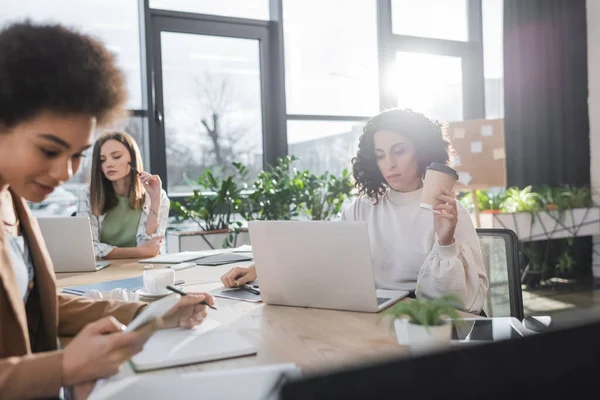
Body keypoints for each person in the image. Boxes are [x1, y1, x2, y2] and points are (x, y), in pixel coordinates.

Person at [0, 21, 214, 400]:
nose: (65, 172)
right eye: (49, 151)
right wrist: (63, 368)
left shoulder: (14, 203)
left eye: (77, 155)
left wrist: (157, 314)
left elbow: (39, 307)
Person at [221, 109, 488, 313]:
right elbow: (321, 249)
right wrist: (259, 269)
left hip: (422, 321)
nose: (390, 164)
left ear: (422, 150)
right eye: (380, 155)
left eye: (399, 151)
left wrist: (445, 241)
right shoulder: (365, 206)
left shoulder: (450, 212)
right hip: (373, 315)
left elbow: (463, 303)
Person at [77, 131, 169, 260]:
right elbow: (88, 247)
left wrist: (155, 199)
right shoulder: (87, 196)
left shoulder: (157, 196)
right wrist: (139, 252)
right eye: (102, 160)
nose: (109, 164)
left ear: (132, 158)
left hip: (143, 269)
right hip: (103, 273)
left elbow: (152, 246)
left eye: (116, 156)